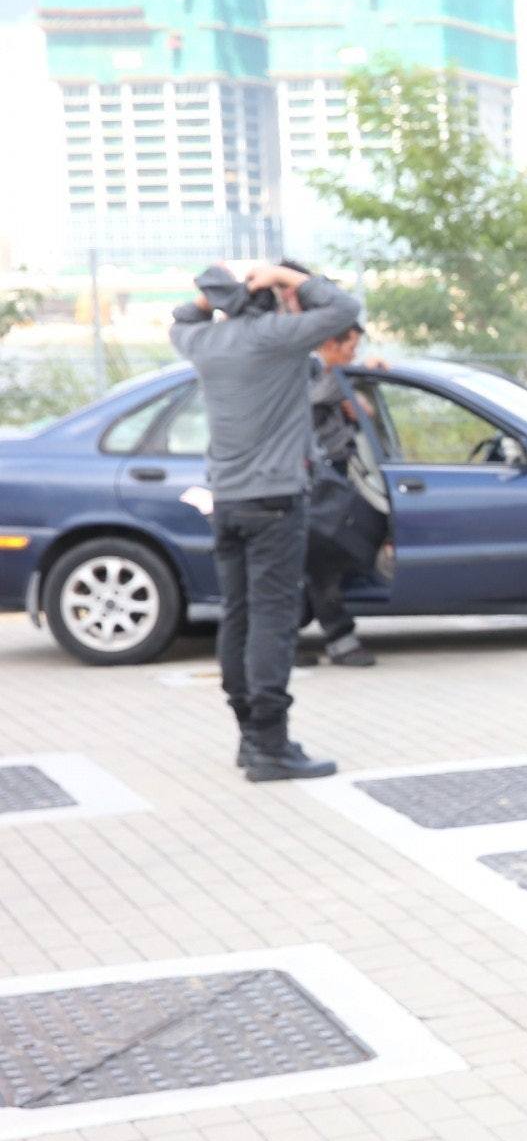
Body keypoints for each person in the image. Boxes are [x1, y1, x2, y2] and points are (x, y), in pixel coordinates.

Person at [169, 262, 361, 781]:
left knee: (238, 616)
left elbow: (181, 319)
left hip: (227, 501)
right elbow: (345, 308)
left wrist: (216, 298)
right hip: (275, 501)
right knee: (273, 621)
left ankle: (249, 735)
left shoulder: (205, 342)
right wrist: (283, 274)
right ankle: (271, 746)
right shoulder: (276, 337)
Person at [299, 319, 387, 668]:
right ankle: (338, 639)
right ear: (330, 345)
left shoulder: (327, 375)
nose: (353, 354)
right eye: (350, 348)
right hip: (311, 483)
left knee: (319, 560)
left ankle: (286, 642)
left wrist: (358, 392)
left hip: (331, 478)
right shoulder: (308, 371)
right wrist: (353, 377)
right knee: (320, 560)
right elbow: (311, 400)